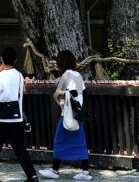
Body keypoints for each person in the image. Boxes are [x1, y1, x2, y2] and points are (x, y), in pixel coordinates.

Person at [0, 47, 38, 182]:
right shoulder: (19, 75)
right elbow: (21, 94)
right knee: (20, 148)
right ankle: (32, 176)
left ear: (2, 60)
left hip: (0, 118)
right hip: (16, 116)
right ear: (15, 60)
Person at [39, 50, 91, 180]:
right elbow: (82, 93)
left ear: (61, 63)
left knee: (59, 141)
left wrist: (60, 98)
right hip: (78, 114)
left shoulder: (65, 76)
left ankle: (55, 171)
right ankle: (85, 172)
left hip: (67, 114)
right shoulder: (78, 75)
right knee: (81, 142)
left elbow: (59, 94)